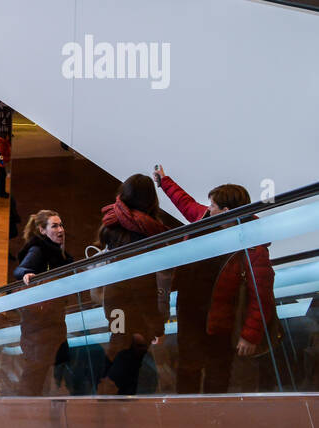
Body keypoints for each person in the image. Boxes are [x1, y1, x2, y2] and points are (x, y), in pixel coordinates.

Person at [155, 166, 277, 394]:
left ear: (226, 211)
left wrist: (250, 335)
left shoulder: (253, 247)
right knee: (187, 367)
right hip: (190, 312)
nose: (208, 209)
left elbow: (261, 294)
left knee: (217, 371)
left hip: (221, 321)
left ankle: (214, 417)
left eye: (212, 206)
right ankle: (187, 414)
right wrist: (164, 181)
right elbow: (186, 203)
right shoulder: (205, 219)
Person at [95, 174, 169, 394]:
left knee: (117, 346)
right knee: (129, 362)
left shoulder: (113, 223)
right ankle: (110, 400)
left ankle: (107, 399)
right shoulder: (146, 234)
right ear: (150, 200)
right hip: (136, 312)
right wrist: (155, 324)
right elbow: (141, 286)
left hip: (114, 304)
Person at [13, 210, 74, 395]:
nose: (60, 229)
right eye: (54, 226)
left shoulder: (59, 253)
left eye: (61, 225)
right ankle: (26, 415)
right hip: (39, 328)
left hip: (53, 324)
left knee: (45, 374)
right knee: (34, 376)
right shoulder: (39, 249)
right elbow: (20, 270)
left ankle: (43, 410)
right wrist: (26, 274)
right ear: (42, 230)